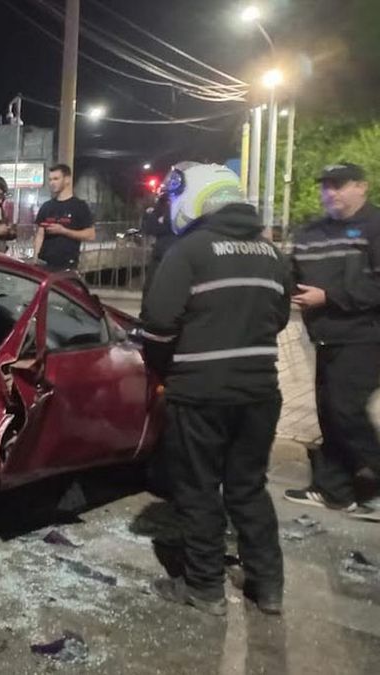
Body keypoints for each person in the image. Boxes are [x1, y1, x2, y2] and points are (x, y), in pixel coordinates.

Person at [140, 163, 290, 616]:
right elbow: (280, 317)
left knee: (199, 489)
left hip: (200, 392)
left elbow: (158, 323)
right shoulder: (271, 253)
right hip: (260, 392)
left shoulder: (190, 250)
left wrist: (166, 363)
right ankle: (268, 586)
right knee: (248, 488)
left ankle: (204, 587)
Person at [283, 163, 380, 520]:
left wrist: (329, 297)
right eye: (326, 186)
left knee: (345, 410)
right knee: (329, 412)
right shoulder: (310, 232)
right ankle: (334, 490)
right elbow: (290, 273)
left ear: (362, 187)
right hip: (324, 337)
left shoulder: (375, 227)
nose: (331, 193)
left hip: (365, 336)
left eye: (339, 185)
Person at [34, 164, 95, 271]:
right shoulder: (46, 206)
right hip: (44, 263)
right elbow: (40, 234)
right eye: (50, 179)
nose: (52, 183)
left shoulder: (80, 206)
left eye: (56, 179)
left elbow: (90, 235)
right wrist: (35, 258)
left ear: (67, 180)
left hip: (67, 264)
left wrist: (64, 231)